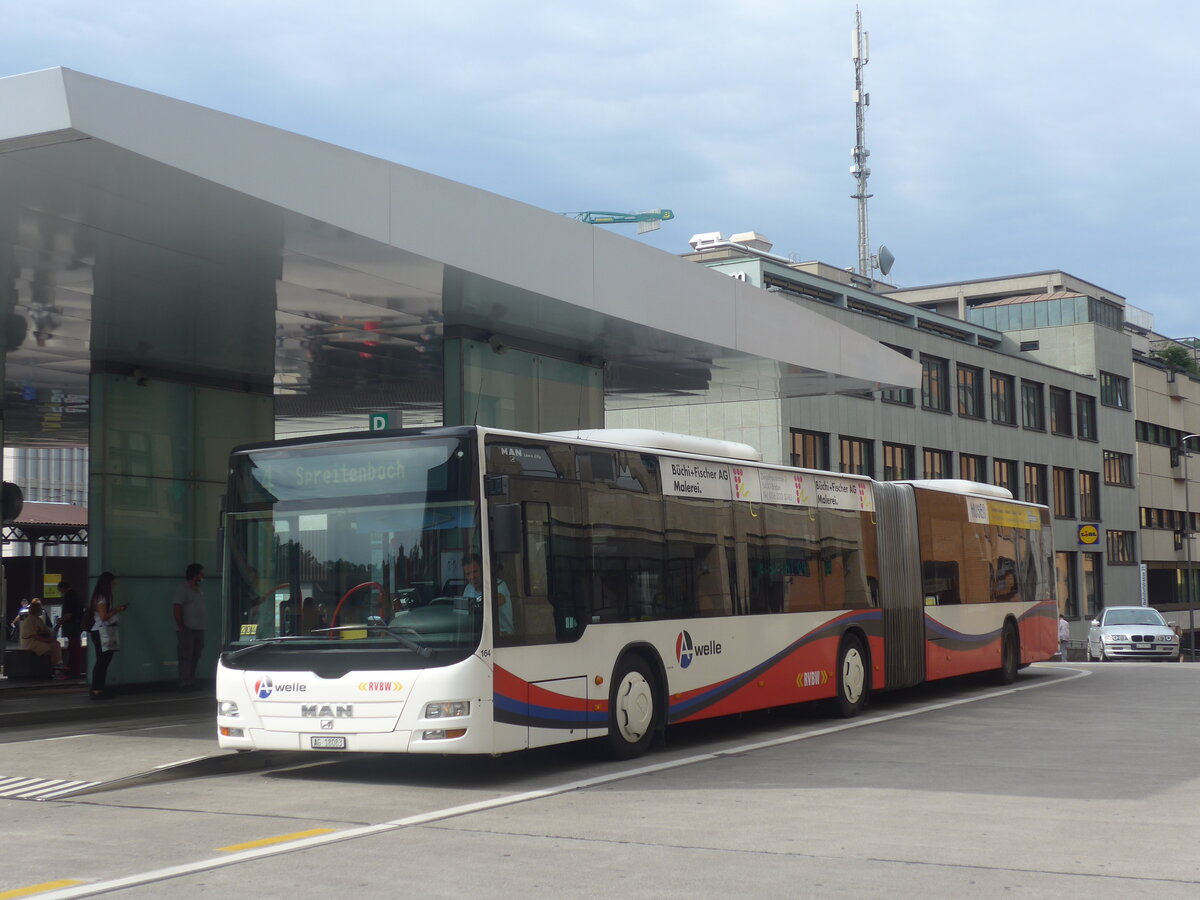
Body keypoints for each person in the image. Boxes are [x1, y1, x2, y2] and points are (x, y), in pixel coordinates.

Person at [89, 572, 128, 699]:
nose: (114, 585)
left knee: (104, 660)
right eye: (112, 582)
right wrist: (117, 610)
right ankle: (97, 689)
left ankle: (99, 689)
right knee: (102, 661)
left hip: (101, 631)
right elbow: (104, 616)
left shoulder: (100, 596)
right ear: (107, 583)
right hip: (102, 631)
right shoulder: (101, 598)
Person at [173, 563, 208, 691]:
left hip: (199, 628)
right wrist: (181, 625)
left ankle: (191, 680)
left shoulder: (198, 590)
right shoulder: (183, 589)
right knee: (185, 656)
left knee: (195, 655)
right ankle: (184, 682)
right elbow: (177, 607)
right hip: (187, 628)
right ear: (195, 574)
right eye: (201, 574)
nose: (203, 576)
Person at [461, 553, 513, 635]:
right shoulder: (468, 588)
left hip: (502, 636)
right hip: (478, 636)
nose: (472, 577)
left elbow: (496, 601)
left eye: (475, 571)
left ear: (483, 570)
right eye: (468, 574)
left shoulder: (499, 585)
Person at [19, 599, 67, 677]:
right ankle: (58, 669)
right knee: (52, 648)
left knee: (56, 644)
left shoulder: (38, 619)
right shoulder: (30, 620)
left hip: (37, 640)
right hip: (31, 642)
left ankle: (58, 665)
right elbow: (34, 636)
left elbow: (46, 631)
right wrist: (48, 640)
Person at [57, 580, 85, 676]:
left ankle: (73, 671)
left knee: (73, 648)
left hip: (72, 626)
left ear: (63, 588)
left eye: (60, 590)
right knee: (74, 647)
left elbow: (69, 614)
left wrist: (59, 623)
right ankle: (74, 670)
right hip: (77, 625)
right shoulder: (77, 595)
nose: (60, 593)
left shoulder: (69, 596)